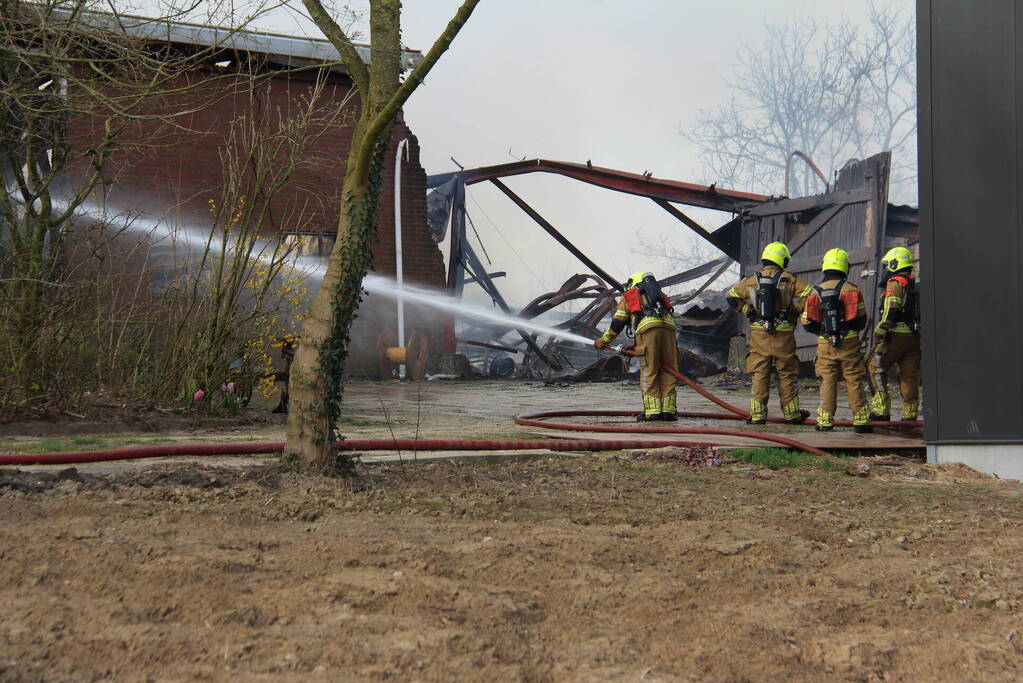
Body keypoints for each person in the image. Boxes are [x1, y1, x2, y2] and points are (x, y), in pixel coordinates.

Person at [726, 241, 813, 425]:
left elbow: (731, 296)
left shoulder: (752, 280)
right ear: (783, 260)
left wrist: (747, 310)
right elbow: (812, 294)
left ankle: (757, 416)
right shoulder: (789, 279)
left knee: (760, 374)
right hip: (784, 336)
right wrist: (796, 308)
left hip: (760, 336)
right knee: (787, 373)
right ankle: (791, 414)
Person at [801, 248, 872, 433]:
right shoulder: (853, 289)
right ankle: (861, 420)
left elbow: (807, 323)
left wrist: (823, 332)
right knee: (854, 379)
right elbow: (862, 320)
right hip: (849, 341)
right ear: (845, 267)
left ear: (825, 266)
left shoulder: (815, 291)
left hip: (825, 344)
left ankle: (825, 421)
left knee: (827, 380)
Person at [595, 272, 679, 421]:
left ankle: (653, 412)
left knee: (649, 371)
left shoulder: (630, 296)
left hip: (648, 332)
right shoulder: (660, 296)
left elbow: (617, 323)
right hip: (670, 332)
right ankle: (668, 412)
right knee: (668, 371)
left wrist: (604, 340)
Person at [869, 246, 921, 421]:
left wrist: (880, 330)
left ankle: (881, 410)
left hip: (896, 335)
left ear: (894, 263)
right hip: (915, 337)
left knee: (874, 367)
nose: (885, 269)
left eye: (887, 265)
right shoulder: (914, 283)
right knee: (908, 374)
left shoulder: (895, 282)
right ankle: (910, 413)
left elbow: (891, 309)